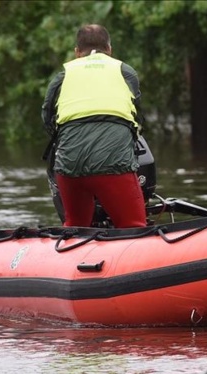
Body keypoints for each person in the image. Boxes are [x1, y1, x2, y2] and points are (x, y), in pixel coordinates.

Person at [41, 24, 146, 228]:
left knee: (75, 225)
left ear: (77, 52)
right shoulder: (125, 71)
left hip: (69, 165)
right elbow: (137, 115)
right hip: (114, 163)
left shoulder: (63, 74)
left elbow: (47, 118)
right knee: (134, 226)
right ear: (109, 49)